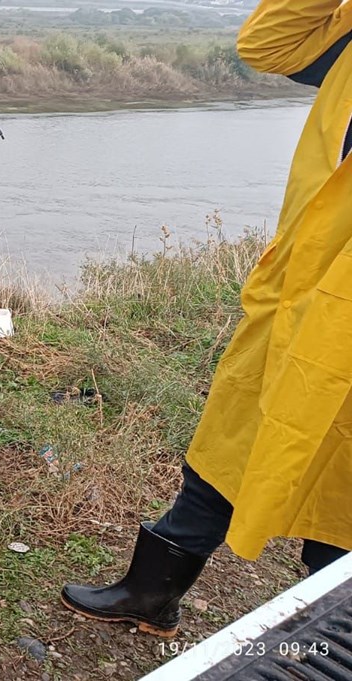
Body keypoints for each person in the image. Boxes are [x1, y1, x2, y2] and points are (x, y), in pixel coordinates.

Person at [61, 0, 352, 638]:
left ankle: (326, 638)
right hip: (296, 294)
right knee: (229, 438)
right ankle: (151, 592)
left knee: (342, 491)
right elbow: (265, 43)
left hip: (345, 318)